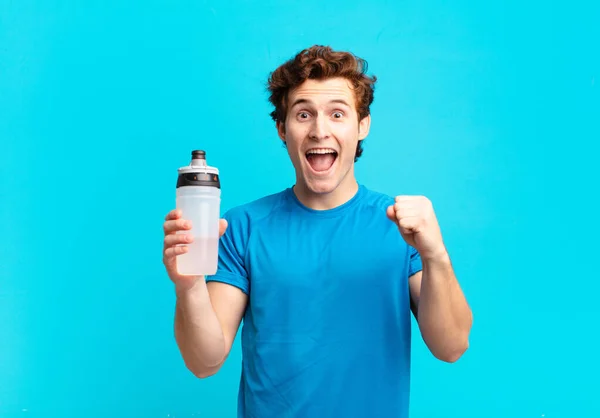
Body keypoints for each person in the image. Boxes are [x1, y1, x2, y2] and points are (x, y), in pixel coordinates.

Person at [162, 45, 473, 418]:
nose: (319, 131)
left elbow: (451, 346)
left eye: (337, 114)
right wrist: (189, 285)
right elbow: (204, 361)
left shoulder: (401, 228)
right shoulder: (242, 227)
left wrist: (435, 254)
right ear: (282, 128)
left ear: (362, 125)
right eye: (303, 114)